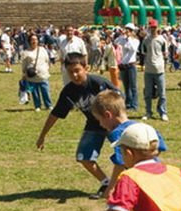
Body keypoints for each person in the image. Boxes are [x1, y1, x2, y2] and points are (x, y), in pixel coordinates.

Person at [36, 53, 119, 199]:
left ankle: (132, 185)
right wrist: (43, 135)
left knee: (126, 156)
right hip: (93, 125)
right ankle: (106, 183)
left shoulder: (98, 83)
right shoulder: (69, 91)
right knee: (83, 157)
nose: (74, 75)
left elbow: (119, 99)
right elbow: (56, 114)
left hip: (113, 125)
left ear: (85, 68)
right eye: (70, 72)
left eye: (77, 70)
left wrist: (120, 125)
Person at [90, 89, 168, 197]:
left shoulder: (118, 133)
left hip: (136, 180)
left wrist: (111, 188)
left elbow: (120, 163)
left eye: (99, 120)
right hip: (157, 174)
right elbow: (160, 147)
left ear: (108, 115)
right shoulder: (144, 127)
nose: (101, 124)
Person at [142, 19, 168, 122]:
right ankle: (148, 112)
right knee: (148, 93)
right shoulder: (146, 40)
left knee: (162, 93)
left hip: (159, 69)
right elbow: (143, 52)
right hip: (148, 69)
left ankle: (163, 112)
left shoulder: (162, 40)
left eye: (155, 27)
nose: (153, 29)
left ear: (158, 28)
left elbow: (165, 53)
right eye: (151, 27)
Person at [22, 33, 52, 112]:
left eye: (35, 39)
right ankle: (37, 105)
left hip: (43, 75)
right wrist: (24, 74)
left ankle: (48, 105)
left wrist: (47, 68)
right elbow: (24, 65)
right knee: (34, 92)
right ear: (29, 41)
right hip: (31, 77)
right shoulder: (26, 52)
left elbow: (47, 60)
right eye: (32, 40)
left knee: (46, 91)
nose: (34, 41)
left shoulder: (42, 49)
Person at [117, 23, 139, 110]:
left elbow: (133, 49)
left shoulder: (135, 41)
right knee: (126, 86)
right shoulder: (122, 39)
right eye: (126, 29)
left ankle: (134, 104)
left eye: (129, 30)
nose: (127, 31)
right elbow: (116, 43)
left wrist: (129, 38)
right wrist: (121, 36)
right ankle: (128, 103)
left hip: (131, 65)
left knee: (133, 86)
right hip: (123, 65)